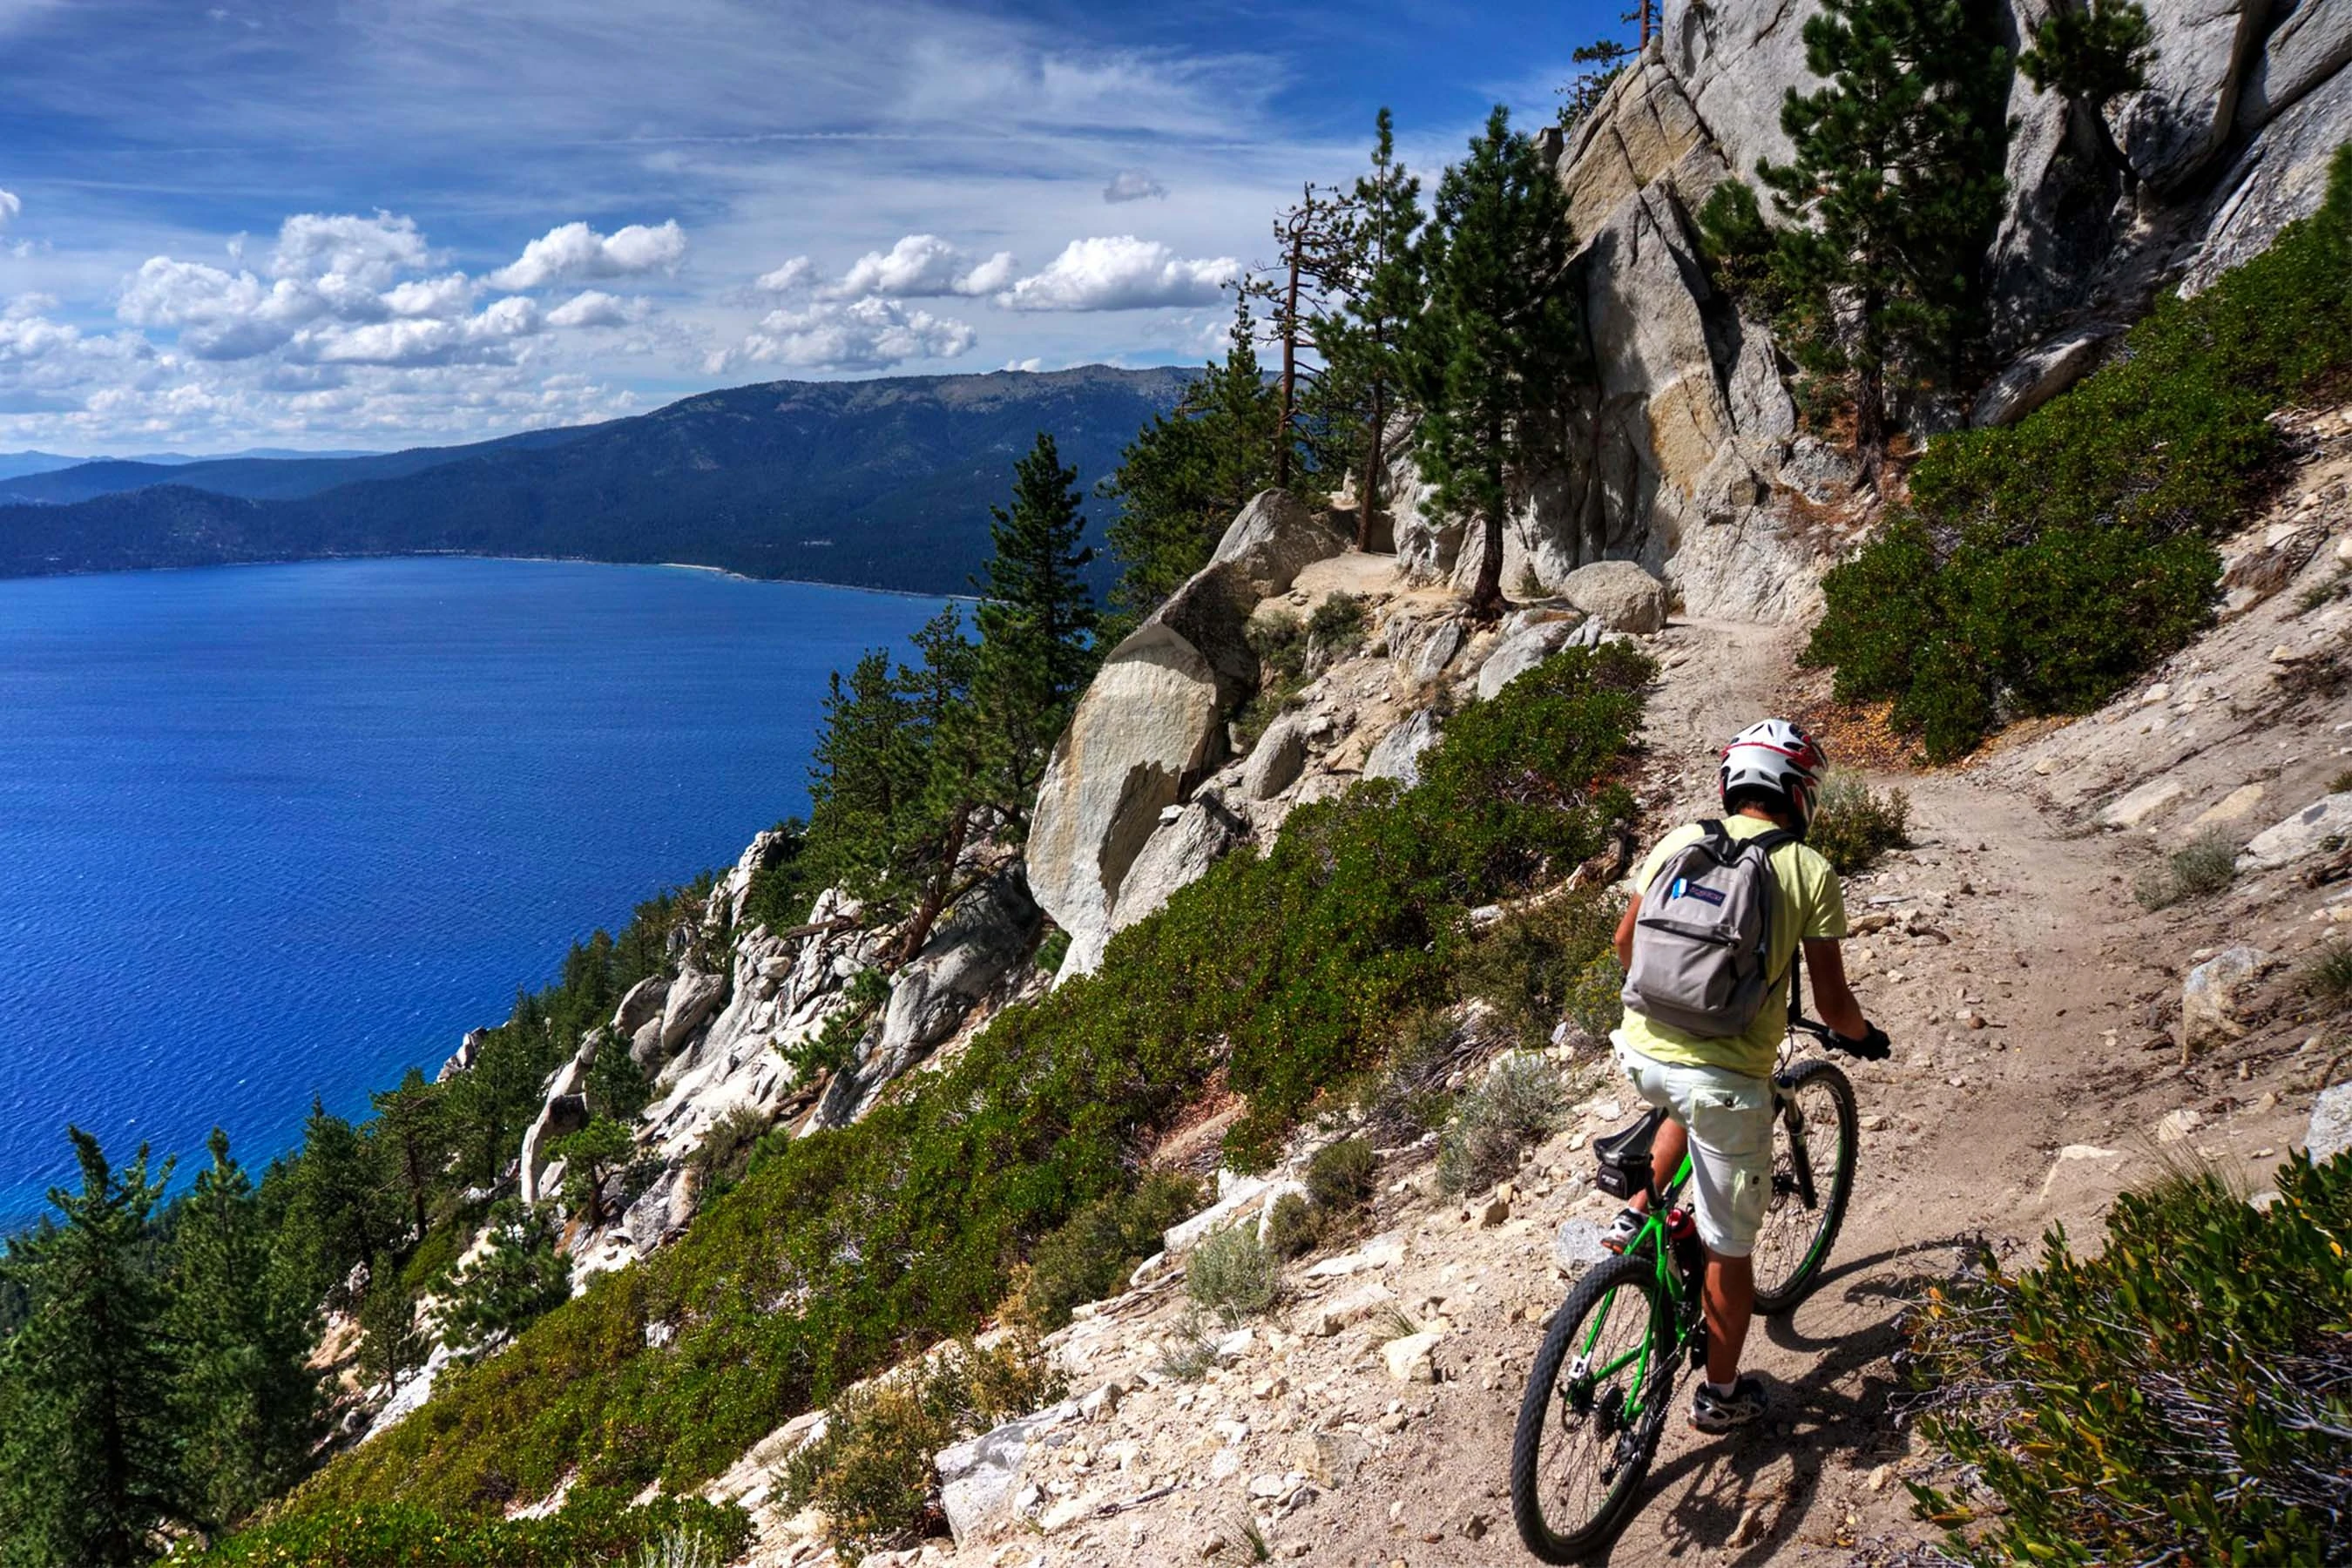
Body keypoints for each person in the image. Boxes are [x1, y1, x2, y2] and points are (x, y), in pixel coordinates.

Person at [1601, 718, 1889, 1435]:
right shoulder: (1808, 870)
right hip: (1725, 1078)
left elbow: (1623, 944)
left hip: (1640, 1049)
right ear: (1798, 794)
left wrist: (1677, 1001)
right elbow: (1832, 1004)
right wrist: (1863, 1039)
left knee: (1681, 1098)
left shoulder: (1679, 839)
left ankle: (1635, 1212)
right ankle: (1722, 1396)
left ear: (1732, 784)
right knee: (1730, 1249)